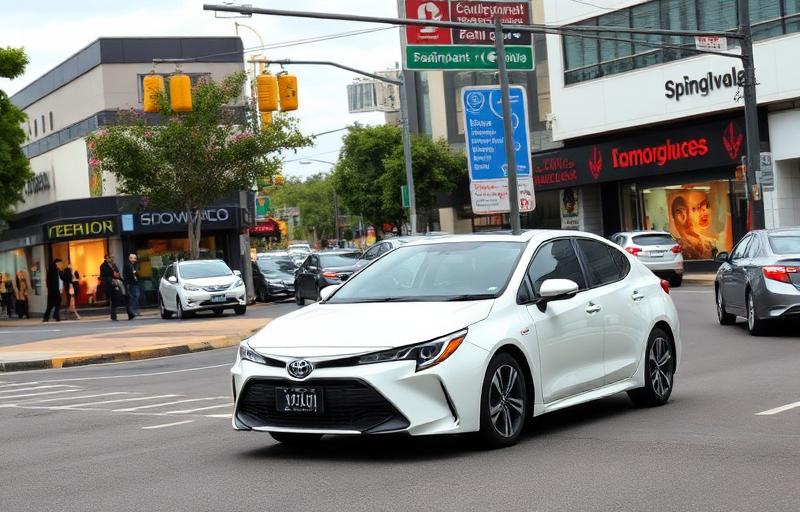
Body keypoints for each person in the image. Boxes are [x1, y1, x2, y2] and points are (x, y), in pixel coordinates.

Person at [100, 254, 124, 321]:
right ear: (106, 258)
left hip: (115, 283)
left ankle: (113, 315)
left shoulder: (113, 265)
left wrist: (117, 276)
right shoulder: (103, 266)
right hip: (109, 284)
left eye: (112, 257)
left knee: (116, 298)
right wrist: (113, 276)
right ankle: (114, 316)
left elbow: (117, 273)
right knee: (114, 299)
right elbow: (105, 275)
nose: (111, 259)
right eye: (109, 258)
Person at [123, 253, 141, 320]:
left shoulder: (134, 265)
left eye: (135, 258)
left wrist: (135, 273)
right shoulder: (128, 265)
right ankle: (133, 310)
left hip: (135, 282)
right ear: (130, 258)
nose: (135, 260)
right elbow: (130, 273)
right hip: (131, 283)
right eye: (134, 258)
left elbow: (136, 273)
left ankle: (135, 310)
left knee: (136, 296)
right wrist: (134, 272)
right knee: (133, 296)